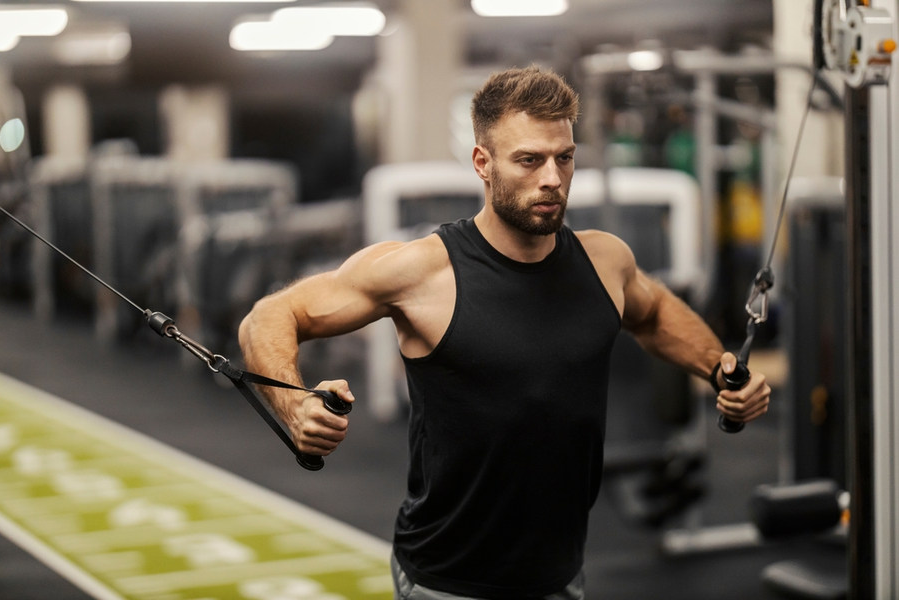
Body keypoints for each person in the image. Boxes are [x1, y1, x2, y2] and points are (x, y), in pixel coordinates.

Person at [238, 65, 771, 600]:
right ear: (482, 163)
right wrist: (293, 406)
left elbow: (653, 312)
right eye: (529, 160)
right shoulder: (423, 271)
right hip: (448, 581)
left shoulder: (604, 260)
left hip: (562, 574)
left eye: (564, 158)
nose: (552, 178)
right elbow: (270, 316)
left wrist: (719, 369)